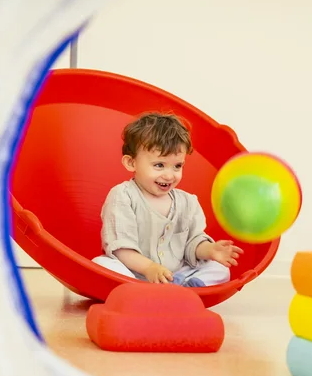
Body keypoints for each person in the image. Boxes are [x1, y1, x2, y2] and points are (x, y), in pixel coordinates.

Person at [91, 112, 243, 286]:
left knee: (220, 269)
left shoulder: (188, 202)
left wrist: (210, 250)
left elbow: (192, 243)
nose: (169, 175)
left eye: (177, 166)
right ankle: (141, 291)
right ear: (131, 163)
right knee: (102, 265)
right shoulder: (122, 196)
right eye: (159, 165)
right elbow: (121, 249)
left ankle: (179, 287)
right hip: (132, 274)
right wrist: (149, 268)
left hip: (175, 274)